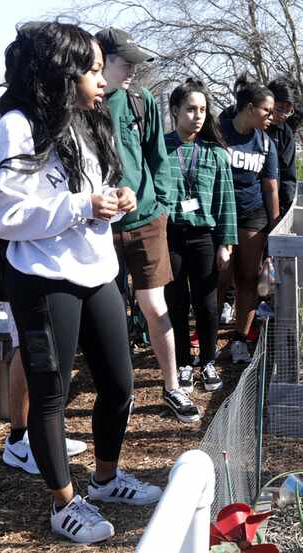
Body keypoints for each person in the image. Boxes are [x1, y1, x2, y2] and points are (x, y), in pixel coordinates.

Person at [0, 21, 162, 544]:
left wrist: (116, 198)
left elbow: (91, 189)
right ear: (63, 73)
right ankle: (64, 504)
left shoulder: (88, 121)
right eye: (93, 70)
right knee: (51, 394)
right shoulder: (16, 126)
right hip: (42, 278)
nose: (102, 81)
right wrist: (81, 205)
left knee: (120, 384)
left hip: (97, 269)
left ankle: (105, 479)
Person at [0, 74, 87, 475]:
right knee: (27, 344)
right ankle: (19, 438)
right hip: (16, 247)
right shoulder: (1, 106)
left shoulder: (55, 111)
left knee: (49, 349)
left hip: (52, 243)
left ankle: (44, 432)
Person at [94, 27, 199, 423]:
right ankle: (120, 392)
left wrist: (162, 207)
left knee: (155, 305)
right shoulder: (83, 103)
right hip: (98, 226)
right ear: (102, 59)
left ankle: (172, 386)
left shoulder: (141, 102)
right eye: (127, 63)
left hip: (145, 221)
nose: (133, 71)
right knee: (108, 313)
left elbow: (158, 159)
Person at [164, 78, 236, 392]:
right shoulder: (159, 148)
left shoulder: (216, 154)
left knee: (207, 304)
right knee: (175, 302)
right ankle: (182, 362)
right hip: (169, 236)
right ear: (175, 111)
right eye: (191, 109)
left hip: (204, 237)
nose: (197, 116)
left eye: (203, 110)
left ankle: (207, 361)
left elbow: (226, 201)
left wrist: (226, 242)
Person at [218, 74, 280, 364]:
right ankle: (205, 341)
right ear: (249, 107)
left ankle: (240, 340)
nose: (271, 115)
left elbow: (270, 187)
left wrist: (275, 227)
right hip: (219, 214)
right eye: (267, 110)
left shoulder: (266, 143)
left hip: (252, 215)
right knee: (219, 277)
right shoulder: (218, 133)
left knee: (248, 278)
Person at [267, 77, 303, 216]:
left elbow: (288, 175)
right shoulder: (253, 125)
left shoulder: (285, 133)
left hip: (274, 200)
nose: (283, 115)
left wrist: (286, 210)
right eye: (280, 108)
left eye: (288, 111)